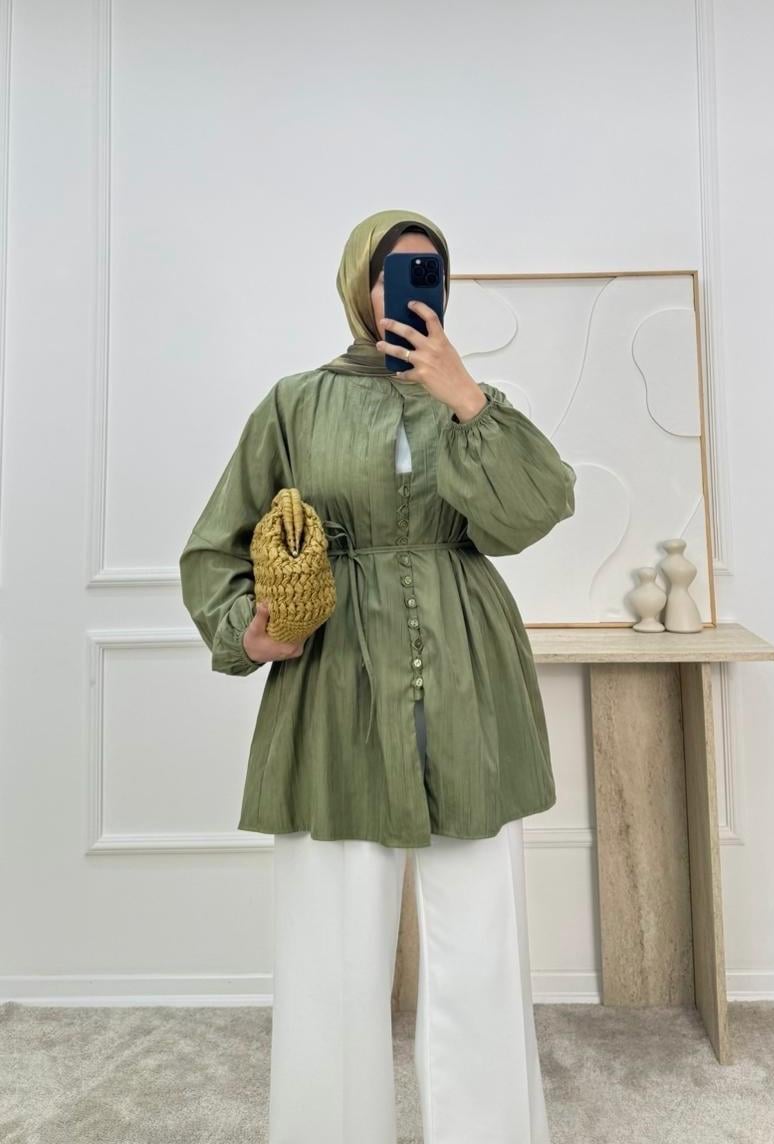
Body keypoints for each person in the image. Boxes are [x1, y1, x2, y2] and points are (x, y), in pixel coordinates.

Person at [179, 208, 577, 1143]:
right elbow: (214, 547)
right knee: (332, 951)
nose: (408, 288)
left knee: (479, 945)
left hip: (468, 682)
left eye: (429, 271)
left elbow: (535, 511)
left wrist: (465, 397)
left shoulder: (477, 401)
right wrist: (250, 633)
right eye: (392, 271)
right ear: (358, 283)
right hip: (336, 685)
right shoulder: (294, 403)